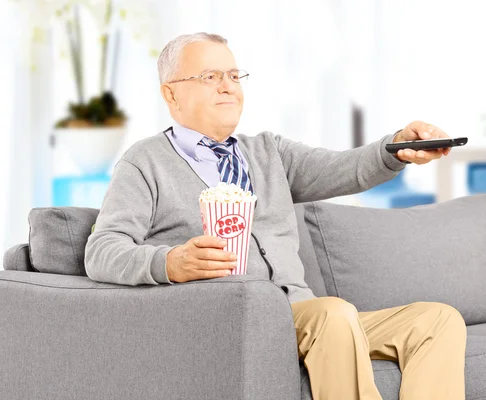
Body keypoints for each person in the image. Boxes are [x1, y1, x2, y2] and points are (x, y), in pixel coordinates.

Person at [84, 32, 466, 400]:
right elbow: (102, 251)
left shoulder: (269, 152)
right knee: (333, 313)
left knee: (437, 320)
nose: (227, 86)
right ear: (171, 93)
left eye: (234, 75)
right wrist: (170, 261)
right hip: (234, 319)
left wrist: (397, 146)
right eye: (210, 76)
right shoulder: (145, 161)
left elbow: (345, 167)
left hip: (302, 314)